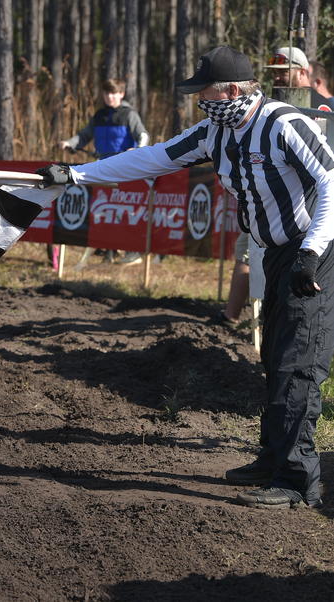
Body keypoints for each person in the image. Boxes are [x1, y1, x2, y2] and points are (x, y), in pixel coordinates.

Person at [37, 45, 334, 511]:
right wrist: (75, 174)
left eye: (206, 91)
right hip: (274, 252)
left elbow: (332, 181)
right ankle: (274, 456)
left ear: (233, 91)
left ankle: (299, 481)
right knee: (275, 355)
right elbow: (151, 158)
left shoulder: (284, 123)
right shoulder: (214, 131)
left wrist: (312, 252)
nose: (201, 100)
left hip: (317, 249)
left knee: (299, 359)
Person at [61, 78, 151, 265]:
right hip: (103, 169)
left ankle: (133, 251)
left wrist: (138, 150)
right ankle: (109, 250)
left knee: (127, 211)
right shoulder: (99, 115)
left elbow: (143, 135)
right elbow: (84, 136)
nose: (110, 97)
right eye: (107, 93)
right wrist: (70, 143)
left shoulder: (129, 115)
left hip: (127, 171)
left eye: (114, 93)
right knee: (105, 211)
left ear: (121, 94)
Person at [265, 46, 334, 112]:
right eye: (274, 72)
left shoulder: (317, 104)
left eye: (284, 72)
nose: (277, 78)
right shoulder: (276, 101)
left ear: (302, 73)